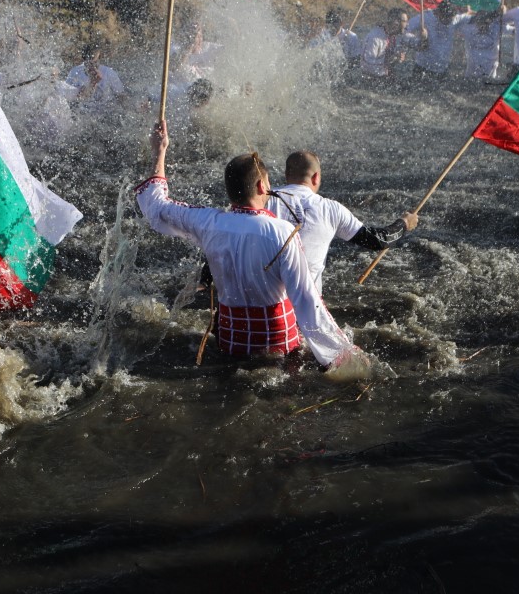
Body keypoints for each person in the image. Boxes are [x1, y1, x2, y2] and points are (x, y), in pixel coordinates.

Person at [135, 121, 362, 371]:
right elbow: (307, 301)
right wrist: (341, 355)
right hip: (279, 345)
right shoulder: (283, 232)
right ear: (261, 187)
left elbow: (157, 206)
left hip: (232, 342)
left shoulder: (208, 222)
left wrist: (160, 151)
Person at [265, 151, 417, 293]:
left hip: (263, 297)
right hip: (307, 306)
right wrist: (404, 223)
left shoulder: (264, 199)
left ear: (286, 174)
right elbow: (378, 240)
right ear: (316, 177)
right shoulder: (331, 209)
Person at [62, 42, 127, 107]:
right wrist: (93, 82)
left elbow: (121, 96)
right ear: (84, 60)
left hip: (105, 110)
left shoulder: (109, 73)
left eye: (95, 62)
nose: (93, 66)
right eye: (90, 63)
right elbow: (68, 97)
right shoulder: (75, 72)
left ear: (99, 59)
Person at [409, 2, 464, 77]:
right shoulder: (425, 17)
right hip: (422, 68)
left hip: (443, 70)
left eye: (451, 19)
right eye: (446, 19)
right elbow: (405, 29)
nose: (448, 22)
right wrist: (418, 40)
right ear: (438, 13)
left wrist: (470, 11)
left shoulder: (454, 20)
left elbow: (468, 17)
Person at [464, 9, 502, 79]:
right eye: (480, 22)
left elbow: (512, 29)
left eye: (486, 23)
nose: (482, 25)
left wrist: (502, 13)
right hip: (472, 73)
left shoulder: (497, 28)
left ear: (490, 22)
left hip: (490, 71)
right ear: (476, 22)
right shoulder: (468, 29)